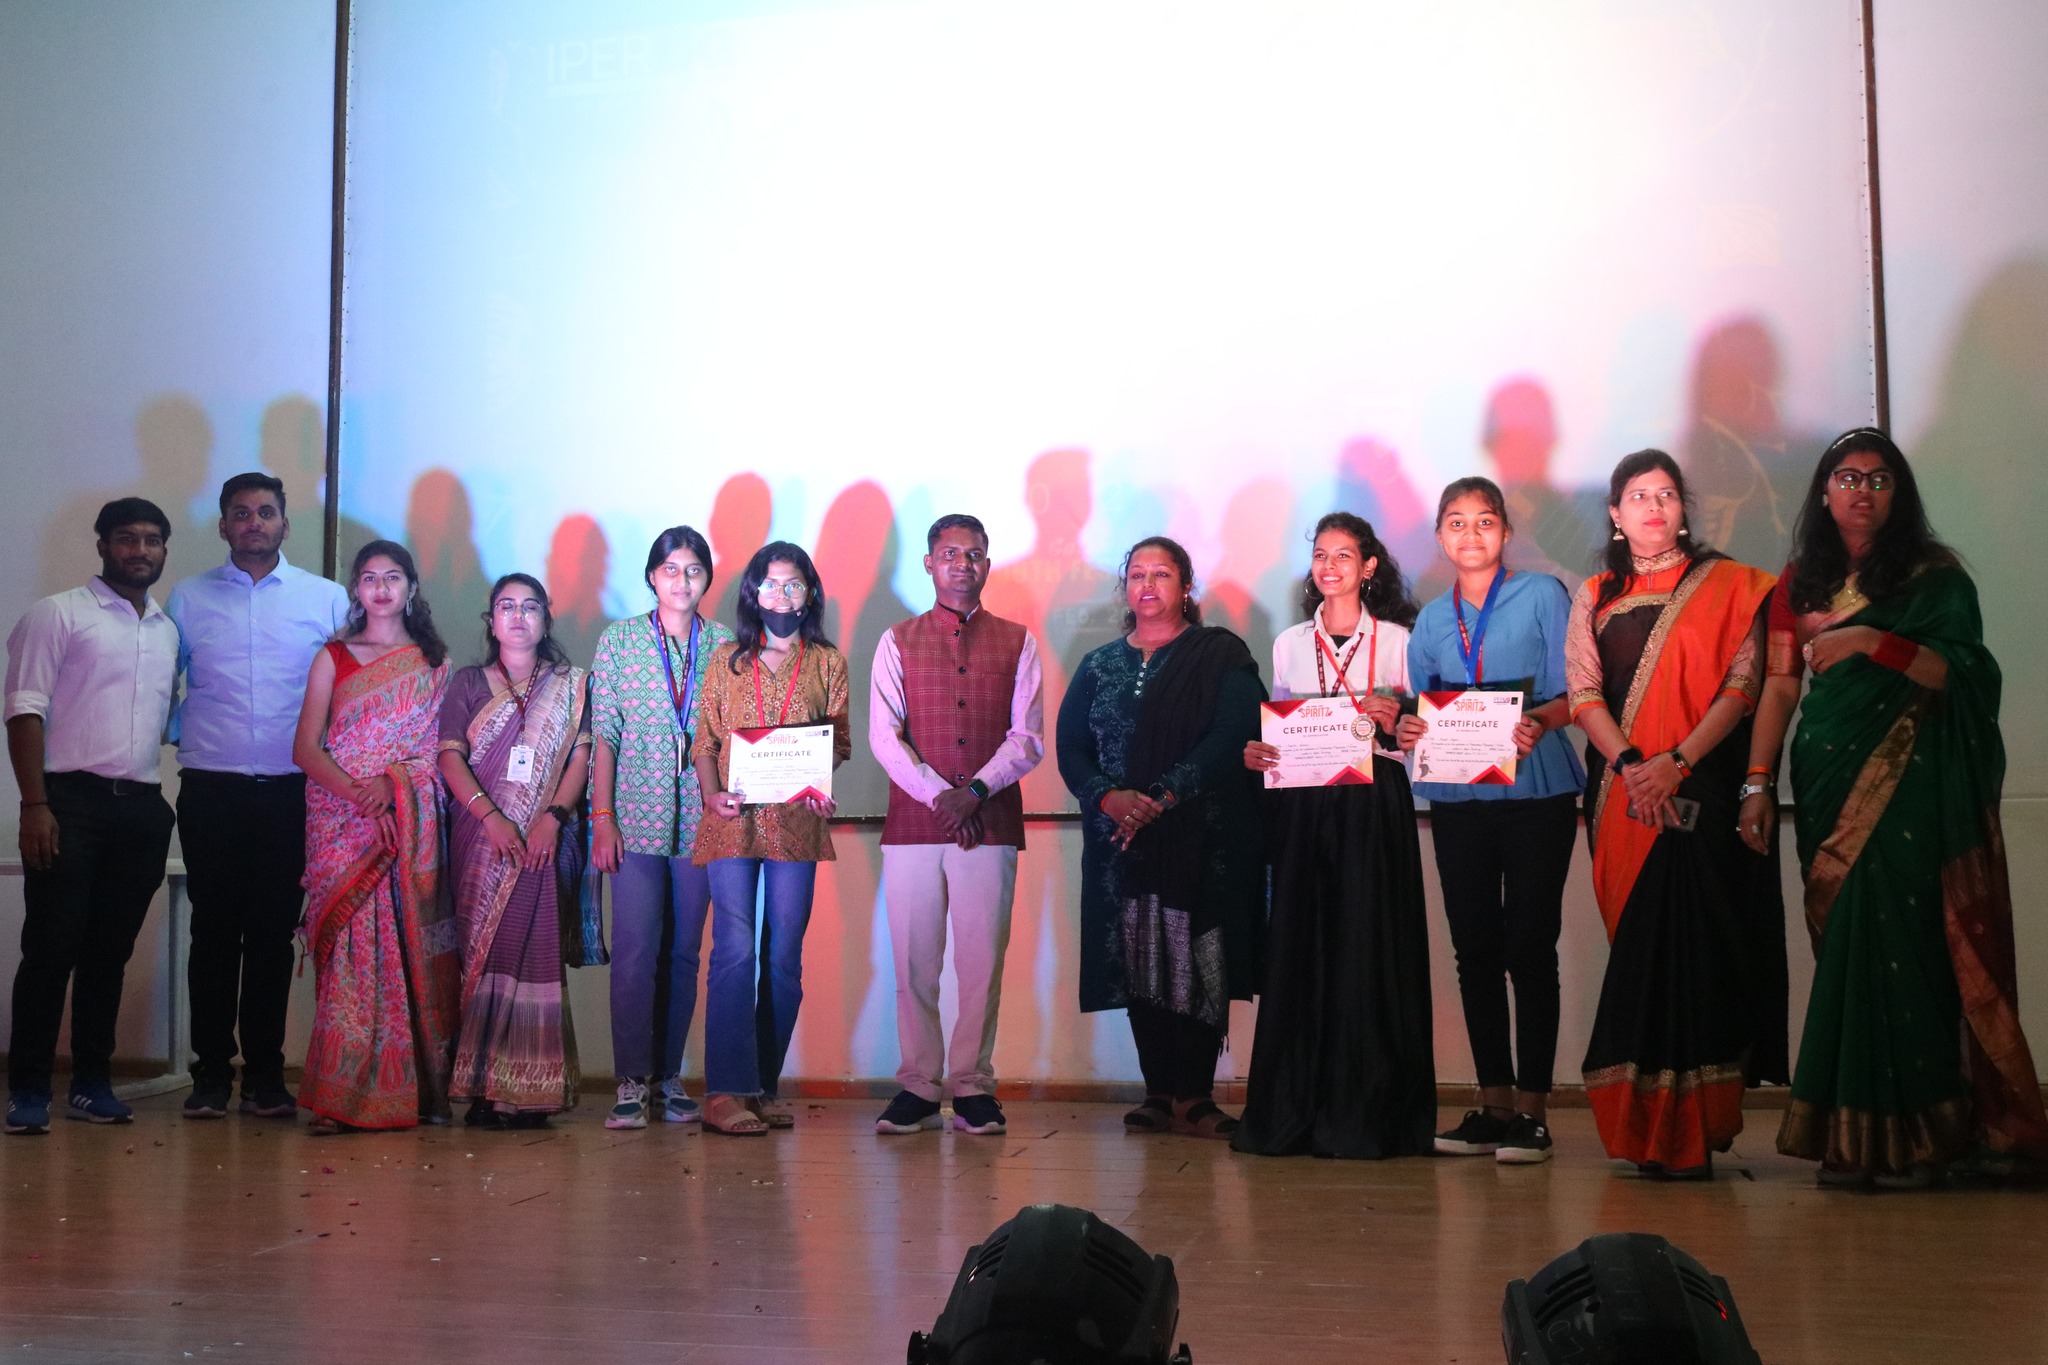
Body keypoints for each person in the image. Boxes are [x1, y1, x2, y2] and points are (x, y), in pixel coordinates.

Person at [1742, 428, 2048, 1188]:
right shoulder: (1797, 583)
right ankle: (1855, 1141)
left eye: (1880, 480)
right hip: (1826, 774)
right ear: (1824, 491)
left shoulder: (1934, 578)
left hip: (1909, 780)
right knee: (1848, 951)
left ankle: (1921, 1140)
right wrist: (1756, 783)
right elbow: (1779, 687)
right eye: (1848, 478)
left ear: (1898, 494)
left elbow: (1961, 675)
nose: (1863, 492)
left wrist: (1871, 641)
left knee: (1906, 949)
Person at [1565, 450, 1783, 1179]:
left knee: (1698, 956)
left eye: (1665, 494)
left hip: (1699, 793)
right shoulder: (1595, 593)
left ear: (1684, 508)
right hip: (1623, 798)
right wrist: (1634, 766)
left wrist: (1677, 764)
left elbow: (1742, 687)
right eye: (1638, 495)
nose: (1653, 506)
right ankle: (1642, 1129)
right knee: (1641, 958)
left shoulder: (1733, 586)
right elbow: (1583, 693)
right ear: (1615, 515)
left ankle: (1697, 1131)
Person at [1234, 513, 1435, 1158]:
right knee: (1303, 947)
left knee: (1368, 947)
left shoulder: (1401, 641)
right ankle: (1296, 1109)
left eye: (1344, 555)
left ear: (1369, 566)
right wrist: (1261, 751)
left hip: (1375, 803)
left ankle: (1370, 1114)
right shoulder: (1290, 642)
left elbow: (1424, 734)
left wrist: (1400, 717)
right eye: (1320, 555)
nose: (1329, 566)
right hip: (1305, 808)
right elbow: (1283, 728)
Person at [1398, 480, 1584, 1165]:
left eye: (1484, 521)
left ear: (1505, 532)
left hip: (1536, 791)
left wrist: (1540, 720)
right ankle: (1494, 1104)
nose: (1470, 533)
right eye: (1456, 522)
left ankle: (1533, 1111)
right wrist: (1409, 727)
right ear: (1440, 537)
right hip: (1459, 798)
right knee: (1473, 950)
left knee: (1529, 948)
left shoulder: (1543, 595)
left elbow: (1577, 691)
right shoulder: (1429, 620)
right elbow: (1420, 710)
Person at [1056, 537, 1264, 1140]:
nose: (1147, 585)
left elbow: (1233, 734)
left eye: (1162, 574)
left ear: (1186, 585)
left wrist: (1163, 796)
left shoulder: (1220, 655)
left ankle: (1194, 1096)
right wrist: (1108, 798)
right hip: (1121, 842)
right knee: (1140, 956)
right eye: (1137, 575)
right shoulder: (1098, 665)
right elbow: (1071, 747)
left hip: (1202, 838)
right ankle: (1158, 1092)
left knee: (1198, 957)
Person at [166, 473, 348, 1122]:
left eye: (265, 512)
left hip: (292, 792)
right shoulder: (187, 597)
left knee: (272, 936)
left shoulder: (326, 598)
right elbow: (160, 682)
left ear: (284, 525)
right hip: (210, 789)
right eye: (240, 513)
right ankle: (210, 1075)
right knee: (213, 932)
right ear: (223, 526)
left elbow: (349, 693)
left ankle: (266, 1078)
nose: (253, 523)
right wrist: (181, 732)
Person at [4, 499, 179, 1135]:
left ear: (163, 550)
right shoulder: (58, 614)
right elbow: (23, 709)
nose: (140, 550)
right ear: (102, 544)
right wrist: (35, 804)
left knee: (109, 954)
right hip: (68, 804)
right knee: (51, 949)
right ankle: (27, 1089)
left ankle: (91, 1084)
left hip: (142, 808)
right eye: (127, 538)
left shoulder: (166, 629)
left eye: (152, 540)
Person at [869, 515, 1045, 1137]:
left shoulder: (1018, 641)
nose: (962, 564)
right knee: (914, 964)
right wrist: (942, 797)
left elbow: (1027, 738)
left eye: (973, 554)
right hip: (914, 826)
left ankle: (971, 1087)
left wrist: (973, 792)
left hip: (989, 821)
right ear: (929, 563)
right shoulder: (896, 640)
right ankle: (918, 1086)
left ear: (987, 564)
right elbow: (884, 736)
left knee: (981, 963)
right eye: (949, 553)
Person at [291, 540, 459, 1133]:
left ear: (411, 588)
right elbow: (305, 748)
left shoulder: (433, 664)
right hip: (341, 822)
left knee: (405, 951)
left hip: (403, 822)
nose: (381, 588)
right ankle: (339, 1097)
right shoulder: (333, 656)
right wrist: (362, 795)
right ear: (356, 590)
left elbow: (438, 753)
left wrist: (393, 786)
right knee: (350, 956)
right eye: (369, 578)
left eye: (393, 577)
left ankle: (408, 1091)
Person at [691, 543, 851, 1135]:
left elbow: (837, 742)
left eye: (793, 584)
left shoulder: (828, 662)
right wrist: (712, 794)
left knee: (783, 959)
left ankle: (760, 1086)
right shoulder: (725, 661)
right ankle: (724, 1092)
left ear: (810, 592)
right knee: (735, 950)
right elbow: (705, 742)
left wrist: (818, 783)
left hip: (797, 823)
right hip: (732, 819)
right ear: (752, 593)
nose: (782, 595)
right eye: (770, 584)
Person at [588, 526, 737, 1129]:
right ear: (652, 576)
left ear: (707, 579)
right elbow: (604, 735)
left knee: (683, 953)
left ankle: (669, 1075)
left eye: (694, 569)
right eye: (671, 569)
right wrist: (602, 818)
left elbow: (731, 732)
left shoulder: (724, 644)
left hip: (704, 822)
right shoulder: (620, 641)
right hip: (633, 818)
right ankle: (631, 1078)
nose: (682, 580)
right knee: (635, 952)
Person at [437, 574, 592, 1128]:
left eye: (530, 607)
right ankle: (484, 1087)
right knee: (486, 954)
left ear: (547, 619)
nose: (519, 616)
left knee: (534, 949)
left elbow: (581, 758)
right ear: (491, 620)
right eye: (507, 606)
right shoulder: (467, 683)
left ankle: (532, 1090)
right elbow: (449, 757)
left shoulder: (573, 686)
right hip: (482, 838)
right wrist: (491, 818)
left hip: (544, 840)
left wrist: (553, 818)